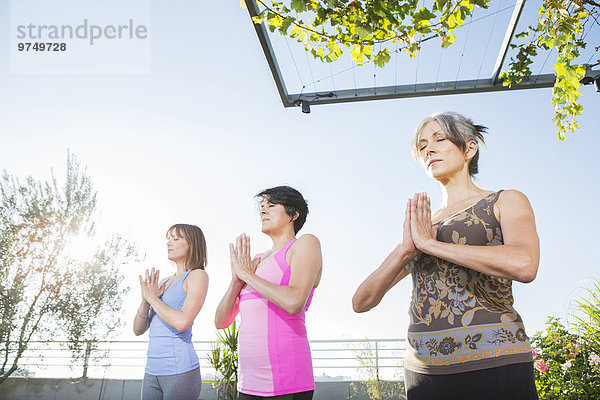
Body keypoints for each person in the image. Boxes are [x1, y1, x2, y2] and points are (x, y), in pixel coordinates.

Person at [352, 112, 540, 400]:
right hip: (423, 373)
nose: (429, 149)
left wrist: (431, 244)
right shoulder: (422, 223)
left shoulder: (504, 200)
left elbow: (524, 265)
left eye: (440, 139)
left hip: (495, 365)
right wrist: (407, 249)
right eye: (423, 145)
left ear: (469, 148)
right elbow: (361, 301)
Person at [215, 186, 323, 400]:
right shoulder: (255, 261)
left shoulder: (304, 244)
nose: (263, 211)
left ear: (294, 214)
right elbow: (221, 321)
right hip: (248, 385)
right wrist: (237, 280)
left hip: (288, 384)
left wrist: (249, 276)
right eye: (261, 206)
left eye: (271, 205)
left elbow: (294, 301)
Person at [133, 224, 209, 400]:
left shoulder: (197, 276)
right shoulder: (164, 283)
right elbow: (137, 330)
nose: (169, 242)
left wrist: (152, 299)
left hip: (180, 371)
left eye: (176, 239)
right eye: (168, 238)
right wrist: (145, 301)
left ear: (192, 244)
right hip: (152, 372)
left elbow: (182, 322)